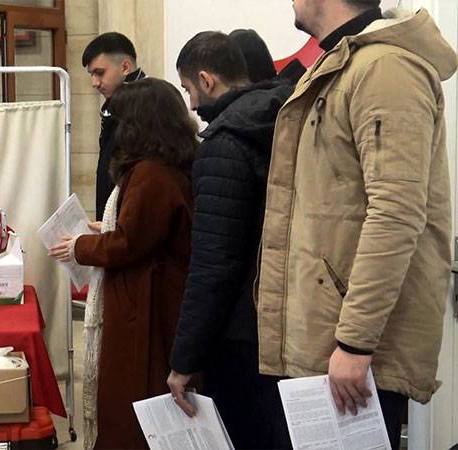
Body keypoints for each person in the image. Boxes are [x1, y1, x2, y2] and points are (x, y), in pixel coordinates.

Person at [257, 1, 457, 449]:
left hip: (349, 350)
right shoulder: (344, 64)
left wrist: (354, 343)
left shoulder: (386, 69)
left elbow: (397, 212)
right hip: (326, 340)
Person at [49, 78, 196, 450]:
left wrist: (83, 246)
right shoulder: (166, 165)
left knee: (132, 406)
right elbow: (140, 229)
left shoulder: (150, 173)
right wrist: (105, 228)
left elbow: (129, 242)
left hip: (144, 308)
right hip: (149, 299)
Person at [165, 31, 294, 449]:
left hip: (240, 333)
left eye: (187, 89)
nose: (189, 104)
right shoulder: (288, 118)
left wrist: (184, 360)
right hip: (288, 321)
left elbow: (213, 265)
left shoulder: (224, 144)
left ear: (206, 80)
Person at [81, 32, 147, 221]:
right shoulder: (116, 101)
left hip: (132, 220)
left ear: (125, 67)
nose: (94, 83)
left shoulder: (150, 101)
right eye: (91, 74)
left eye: (99, 73)